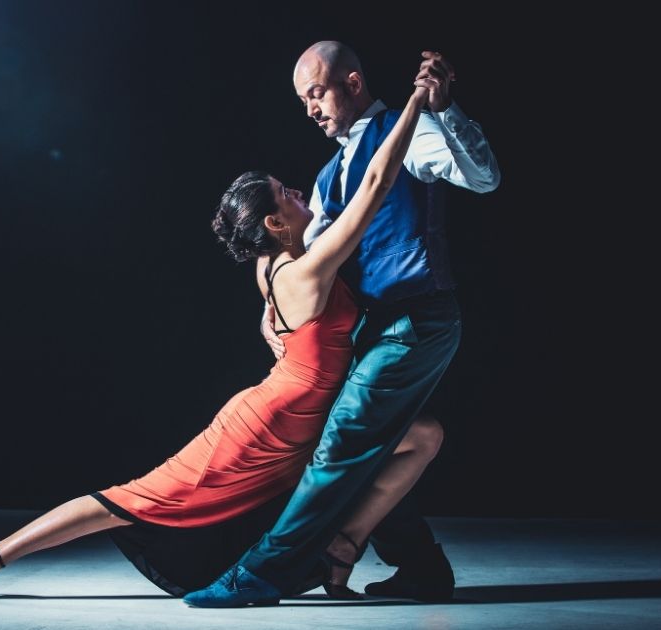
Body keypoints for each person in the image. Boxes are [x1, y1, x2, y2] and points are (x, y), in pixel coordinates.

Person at [0, 73, 444, 602]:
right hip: (267, 427)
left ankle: (343, 547)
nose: (297, 191)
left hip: (307, 412)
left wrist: (272, 328)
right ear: (275, 220)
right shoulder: (308, 271)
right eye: (286, 194)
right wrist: (413, 102)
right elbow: (377, 183)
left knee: (422, 436)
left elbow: (278, 318)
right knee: (132, 500)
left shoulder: (273, 262)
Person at [183, 44, 500, 607]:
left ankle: (262, 573)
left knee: (343, 443)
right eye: (302, 100)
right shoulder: (328, 176)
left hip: (416, 316)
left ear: (351, 83)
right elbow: (302, 251)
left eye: (316, 93)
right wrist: (269, 304)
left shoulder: (413, 132)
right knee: (380, 442)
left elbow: (483, 179)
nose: (309, 109)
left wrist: (446, 112)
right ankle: (420, 566)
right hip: (370, 330)